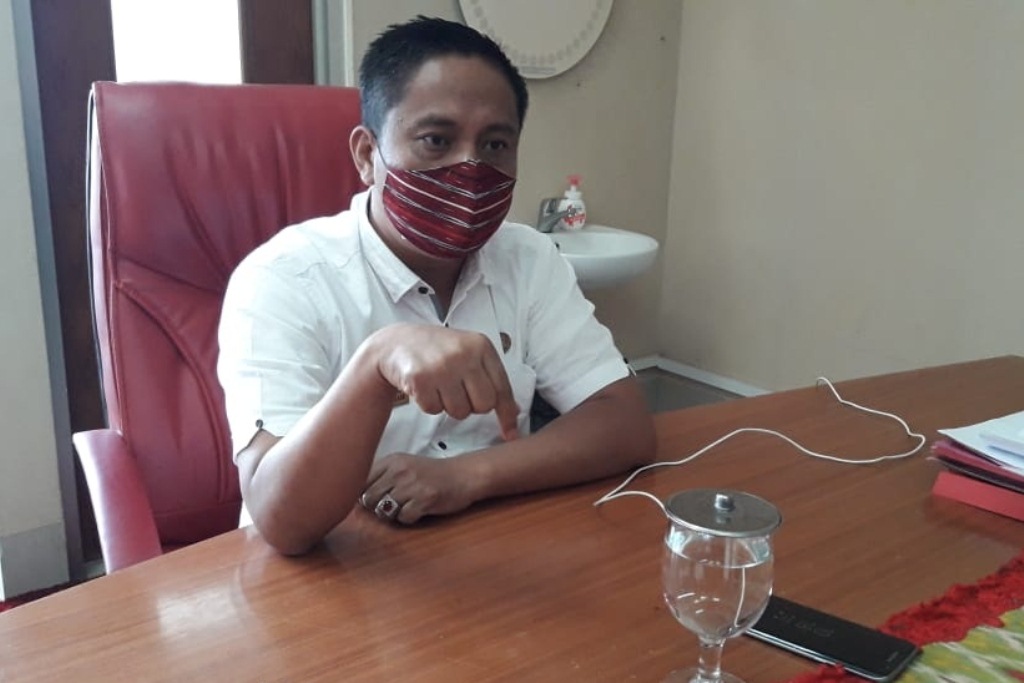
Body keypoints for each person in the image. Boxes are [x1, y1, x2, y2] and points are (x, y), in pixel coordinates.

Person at [217, 16, 656, 556]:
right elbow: (281, 521)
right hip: (330, 574)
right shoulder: (283, 278)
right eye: (435, 140)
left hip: (491, 552)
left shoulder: (529, 259)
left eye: (495, 144)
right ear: (367, 155)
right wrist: (376, 364)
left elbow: (624, 422)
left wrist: (466, 476)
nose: (470, 168)